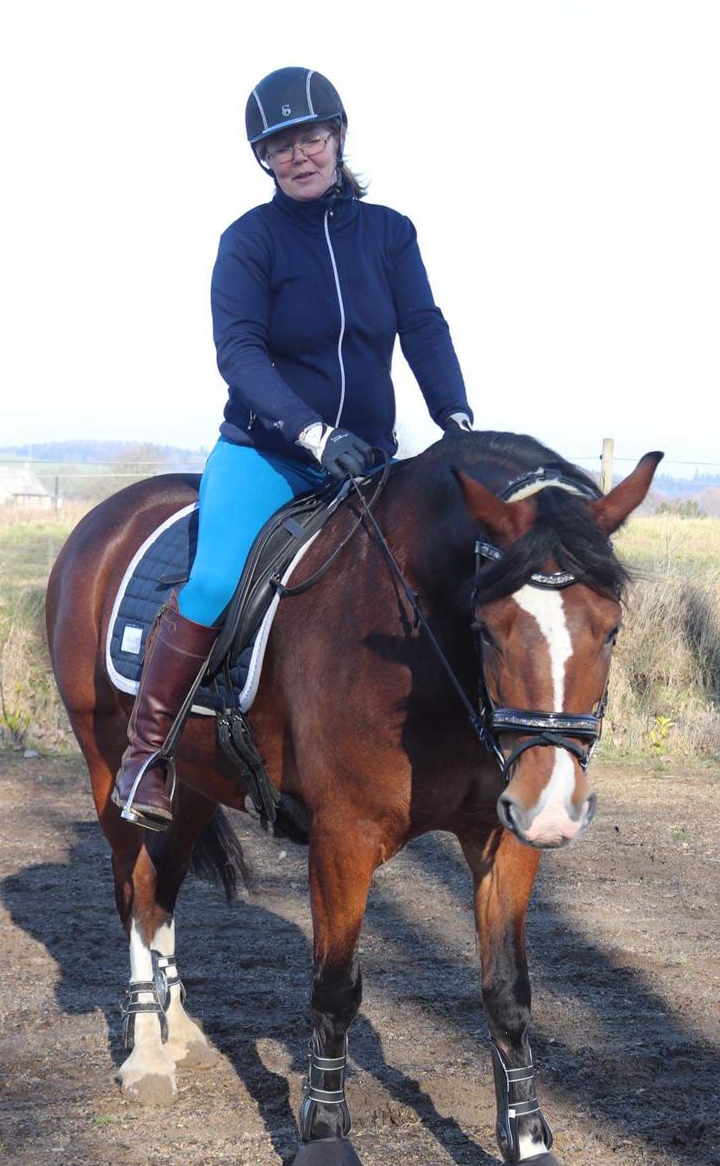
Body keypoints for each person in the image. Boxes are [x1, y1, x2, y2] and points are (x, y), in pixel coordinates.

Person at [113, 65, 474, 829]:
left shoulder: (390, 234)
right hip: (267, 454)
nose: (298, 155)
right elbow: (239, 353)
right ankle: (146, 752)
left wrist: (457, 419)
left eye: (310, 136)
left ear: (338, 136)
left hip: (368, 461)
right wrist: (310, 432)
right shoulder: (249, 242)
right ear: (264, 161)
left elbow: (423, 328)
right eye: (279, 147)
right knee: (211, 583)